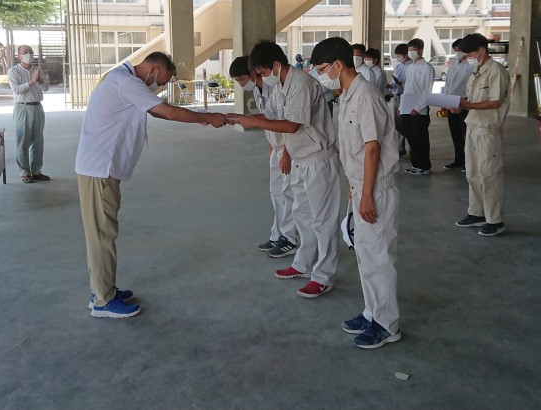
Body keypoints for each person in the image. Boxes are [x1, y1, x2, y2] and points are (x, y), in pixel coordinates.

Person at [76, 52, 226, 318]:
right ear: (154, 69)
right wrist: (208, 118)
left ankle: (102, 288)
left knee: (102, 232)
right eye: (161, 81)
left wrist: (202, 116)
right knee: (102, 235)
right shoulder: (127, 82)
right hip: (100, 169)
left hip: (102, 168)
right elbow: (168, 112)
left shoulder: (121, 78)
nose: (158, 87)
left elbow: (159, 112)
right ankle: (102, 300)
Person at [232, 41, 342, 299]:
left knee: (323, 220)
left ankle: (324, 276)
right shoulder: (281, 85)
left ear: (276, 65)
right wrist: (251, 121)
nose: (261, 78)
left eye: (262, 72)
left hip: (317, 159)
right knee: (301, 214)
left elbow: (292, 125)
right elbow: (278, 120)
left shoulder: (302, 84)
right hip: (300, 158)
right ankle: (303, 263)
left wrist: (253, 122)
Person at [310, 37, 401, 349]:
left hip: (376, 190)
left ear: (338, 65)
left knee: (379, 257)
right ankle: (372, 312)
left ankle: (387, 324)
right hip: (361, 186)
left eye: (323, 68)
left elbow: (373, 148)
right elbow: (356, 149)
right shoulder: (348, 95)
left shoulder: (366, 95)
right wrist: (355, 188)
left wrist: (366, 194)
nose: (322, 75)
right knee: (364, 254)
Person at [229, 55, 299, 259]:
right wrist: (271, 147)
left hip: (288, 150)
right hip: (276, 149)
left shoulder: (276, 88)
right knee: (276, 194)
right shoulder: (258, 91)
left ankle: (290, 239)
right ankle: (277, 235)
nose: (241, 85)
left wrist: (286, 154)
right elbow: (268, 120)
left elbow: (288, 124)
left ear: (253, 73)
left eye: (242, 79)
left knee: (288, 195)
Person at [452, 33, 510, 237]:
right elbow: (472, 98)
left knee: (489, 175)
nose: (467, 58)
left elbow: (495, 102)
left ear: (481, 50)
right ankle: (477, 213)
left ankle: (495, 220)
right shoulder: (476, 70)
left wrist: (468, 105)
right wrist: (460, 105)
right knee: (473, 173)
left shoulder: (496, 71)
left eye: (469, 54)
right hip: (473, 126)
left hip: (488, 130)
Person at [8, 45, 49, 183]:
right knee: (23, 141)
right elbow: (17, 90)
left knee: (38, 141)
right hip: (22, 108)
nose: (28, 55)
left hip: (37, 107)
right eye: (24, 52)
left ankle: (36, 171)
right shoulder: (14, 71)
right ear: (18, 56)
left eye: (30, 52)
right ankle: (24, 172)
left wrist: (40, 80)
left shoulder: (37, 70)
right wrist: (31, 82)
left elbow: (46, 87)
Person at [397, 38, 435, 175]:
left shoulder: (427, 68)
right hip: (407, 107)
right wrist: (401, 107)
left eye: (413, 50)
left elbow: (427, 91)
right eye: (409, 50)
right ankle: (415, 164)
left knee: (420, 138)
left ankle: (424, 166)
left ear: (421, 50)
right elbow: (407, 88)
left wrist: (418, 108)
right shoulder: (411, 67)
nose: (411, 52)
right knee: (411, 137)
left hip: (420, 110)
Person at [442, 39, 471, 170]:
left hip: (464, 101)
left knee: (466, 133)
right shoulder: (453, 63)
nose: (457, 53)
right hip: (451, 100)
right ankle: (458, 160)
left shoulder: (471, 64)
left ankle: (468, 162)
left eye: (459, 50)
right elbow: (448, 82)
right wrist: (444, 100)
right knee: (455, 132)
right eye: (455, 51)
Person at [391, 44, 410, 157]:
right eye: (397, 55)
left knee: (408, 123)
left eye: (400, 55)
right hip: (397, 96)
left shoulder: (412, 66)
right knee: (398, 124)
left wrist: (401, 83)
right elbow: (394, 82)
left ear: (406, 54)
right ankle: (400, 148)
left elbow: (412, 84)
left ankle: (410, 150)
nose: (398, 57)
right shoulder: (398, 67)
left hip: (407, 97)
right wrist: (392, 86)